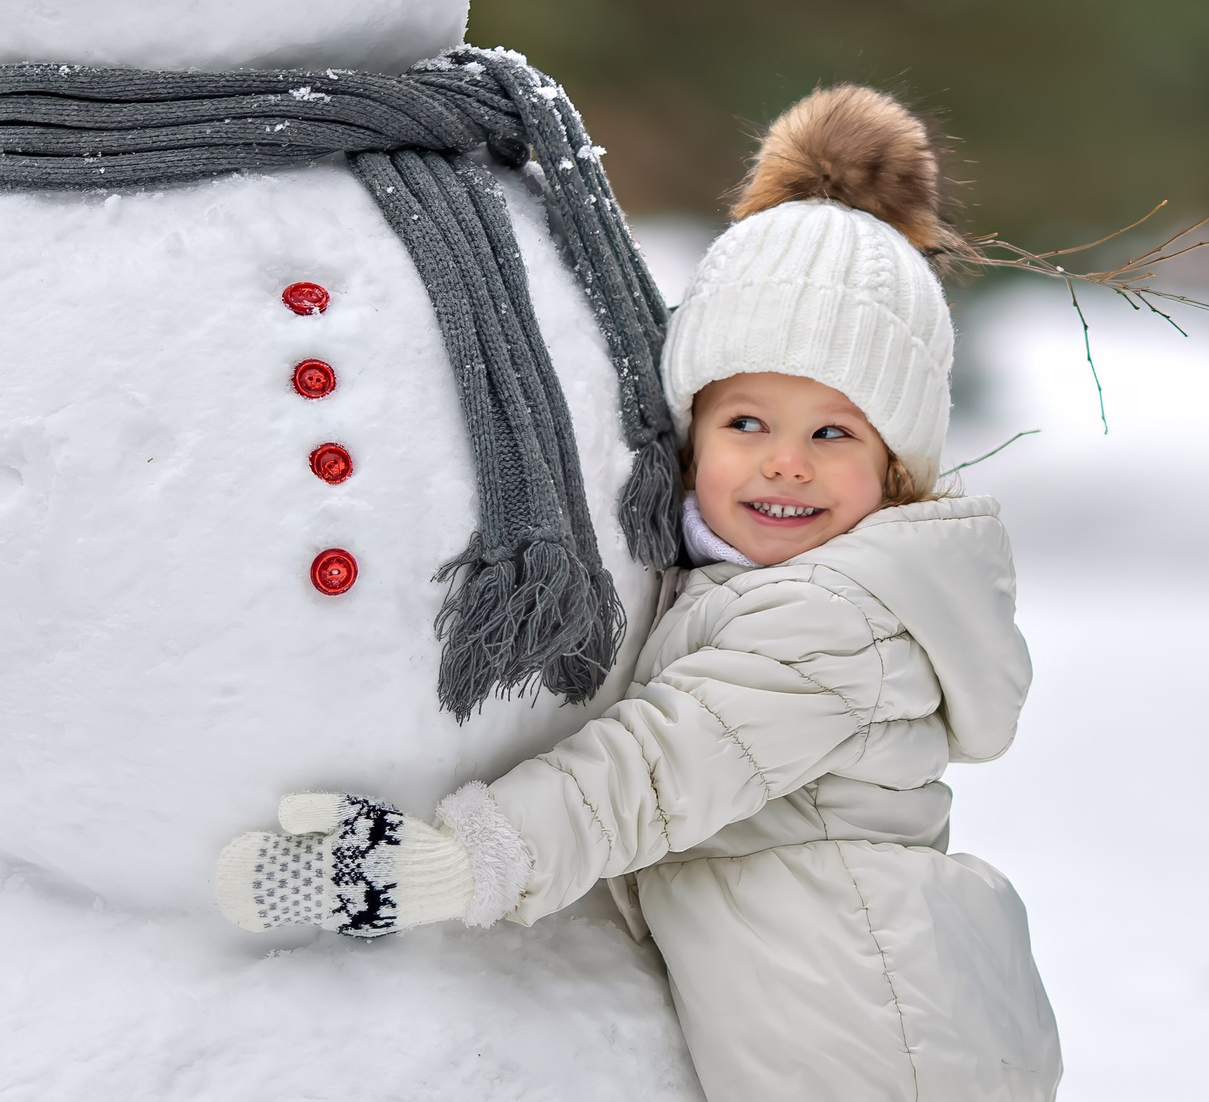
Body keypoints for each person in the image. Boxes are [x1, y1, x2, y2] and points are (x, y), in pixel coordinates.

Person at [215, 84, 1062, 1102]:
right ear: (690, 431)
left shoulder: (837, 622)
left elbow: (656, 769)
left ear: (896, 468)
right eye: (746, 422)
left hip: (871, 1043)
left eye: (832, 432)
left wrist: (447, 862)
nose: (784, 462)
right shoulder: (757, 582)